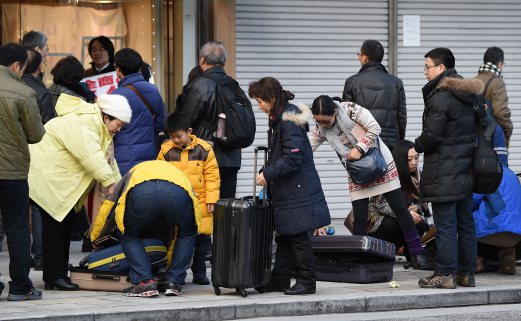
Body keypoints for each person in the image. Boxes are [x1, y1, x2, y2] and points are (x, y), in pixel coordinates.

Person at [309, 95, 431, 269]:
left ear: (335, 112)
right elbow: (306, 149)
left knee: (399, 209)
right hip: (358, 172)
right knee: (360, 216)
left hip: (381, 164)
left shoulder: (350, 110)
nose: (322, 125)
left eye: (326, 121)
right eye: (318, 121)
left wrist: (360, 148)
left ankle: (417, 254)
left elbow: (374, 127)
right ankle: (359, 258)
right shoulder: (321, 129)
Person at [28, 93, 129, 291]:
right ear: (106, 116)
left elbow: (108, 160)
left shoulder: (99, 127)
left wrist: (120, 188)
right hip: (49, 176)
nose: (120, 128)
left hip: (60, 179)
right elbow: (90, 156)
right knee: (56, 227)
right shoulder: (84, 122)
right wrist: (110, 183)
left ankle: (57, 274)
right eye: (119, 123)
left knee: (64, 225)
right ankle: (54, 277)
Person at [248, 77, 331, 295]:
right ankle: (280, 279)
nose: (259, 106)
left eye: (260, 101)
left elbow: (294, 157)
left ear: (272, 98)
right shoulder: (279, 118)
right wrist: (267, 170)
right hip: (289, 187)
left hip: (297, 188)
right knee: (285, 235)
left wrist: (268, 174)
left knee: (298, 236)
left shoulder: (287, 122)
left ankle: (307, 281)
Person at [414, 47, 481, 289]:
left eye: (427, 66)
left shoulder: (441, 96)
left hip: (443, 169)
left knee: (445, 224)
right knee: (465, 222)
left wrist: (415, 146)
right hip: (465, 167)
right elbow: (484, 125)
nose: (425, 72)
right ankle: (466, 273)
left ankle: (444, 273)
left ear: (441, 68)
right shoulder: (469, 93)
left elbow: (431, 136)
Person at [90, 160, 201, 298]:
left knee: (129, 234)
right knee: (188, 232)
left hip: (141, 193)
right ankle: (174, 282)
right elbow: (193, 202)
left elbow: (109, 208)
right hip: (178, 192)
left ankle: (144, 282)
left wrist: (95, 237)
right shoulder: (176, 172)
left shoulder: (131, 173)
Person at [0, 43, 45, 301]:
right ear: (17, 66)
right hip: (12, 172)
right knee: (17, 229)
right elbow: (36, 135)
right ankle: (20, 286)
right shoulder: (23, 92)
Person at [344, 140, 434, 266]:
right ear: (401, 159)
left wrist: (415, 208)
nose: (414, 163)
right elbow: (380, 205)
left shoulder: (419, 176)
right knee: (392, 224)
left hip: (401, 218)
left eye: (416, 158)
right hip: (378, 222)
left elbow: (423, 204)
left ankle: (412, 256)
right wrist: (407, 212)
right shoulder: (388, 174)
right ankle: (378, 254)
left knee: (420, 224)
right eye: (409, 159)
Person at [157, 113, 220, 285]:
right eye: (172, 137)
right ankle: (177, 273)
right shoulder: (166, 151)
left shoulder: (204, 149)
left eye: (179, 136)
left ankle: (199, 272)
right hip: (176, 202)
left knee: (202, 240)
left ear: (189, 131)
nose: (175, 140)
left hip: (201, 202)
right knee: (176, 239)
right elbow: (159, 174)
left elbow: (213, 178)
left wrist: (212, 200)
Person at [174, 41, 241, 199]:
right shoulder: (234, 85)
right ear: (223, 61)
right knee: (226, 206)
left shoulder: (200, 85)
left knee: (204, 206)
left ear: (202, 60)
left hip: (205, 155)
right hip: (231, 157)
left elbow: (185, 120)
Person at [22, 49, 55, 271]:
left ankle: (26, 257)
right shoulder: (40, 92)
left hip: (13, 155)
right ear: (38, 67)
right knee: (38, 205)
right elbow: (48, 127)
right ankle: (41, 255)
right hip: (37, 152)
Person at [342, 40, 406, 151]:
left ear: (365, 58)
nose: (359, 57)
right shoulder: (396, 82)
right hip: (390, 144)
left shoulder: (352, 82)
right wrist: (399, 141)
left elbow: (346, 118)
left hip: (361, 144)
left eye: (359, 54)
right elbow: (401, 117)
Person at [111, 48, 166, 175]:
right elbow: (160, 122)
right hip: (149, 150)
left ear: (118, 69)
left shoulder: (117, 94)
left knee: (126, 188)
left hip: (123, 152)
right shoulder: (153, 89)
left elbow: (110, 127)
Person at [474, 47, 513, 145]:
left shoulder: (474, 80)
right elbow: (501, 112)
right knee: (498, 160)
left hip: (476, 136)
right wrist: (508, 131)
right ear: (500, 64)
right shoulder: (497, 83)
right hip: (493, 137)